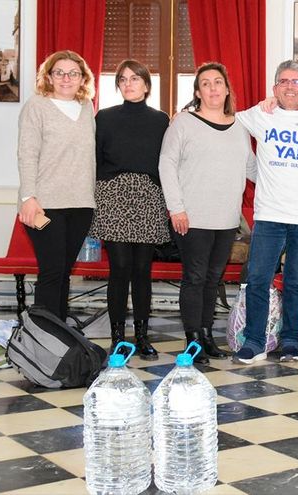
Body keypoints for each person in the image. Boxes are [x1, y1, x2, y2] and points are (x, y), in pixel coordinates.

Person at [233, 60, 298, 365]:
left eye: (296, 81)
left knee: (296, 282)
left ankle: (290, 341)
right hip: (270, 215)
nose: (290, 86)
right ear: (275, 88)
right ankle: (254, 341)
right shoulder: (260, 115)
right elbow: (225, 123)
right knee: (259, 279)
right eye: (283, 81)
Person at [159, 62, 253, 365]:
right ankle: (193, 340)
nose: (213, 88)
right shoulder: (183, 123)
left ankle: (207, 335)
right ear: (198, 91)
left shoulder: (239, 126)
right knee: (195, 277)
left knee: (213, 279)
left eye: (218, 82)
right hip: (192, 216)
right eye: (206, 83)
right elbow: (166, 165)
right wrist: (177, 208)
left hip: (226, 218)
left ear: (227, 88)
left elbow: (251, 167)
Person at [91, 59, 170, 359]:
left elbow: (167, 161)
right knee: (119, 269)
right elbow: (94, 161)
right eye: (122, 79)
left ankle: (141, 336)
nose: (128, 83)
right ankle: (117, 338)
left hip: (148, 195)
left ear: (147, 85)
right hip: (112, 194)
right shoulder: (105, 117)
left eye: (135, 78)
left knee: (142, 271)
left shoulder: (161, 120)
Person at [17, 50, 96, 321]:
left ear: (82, 78)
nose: (66, 78)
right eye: (59, 72)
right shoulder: (36, 106)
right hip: (43, 204)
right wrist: (28, 197)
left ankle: (60, 334)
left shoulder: (87, 108)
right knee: (51, 271)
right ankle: (44, 336)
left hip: (81, 204)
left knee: (64, 271)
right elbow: (27, 153)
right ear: (48, 76)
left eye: (73, 73)